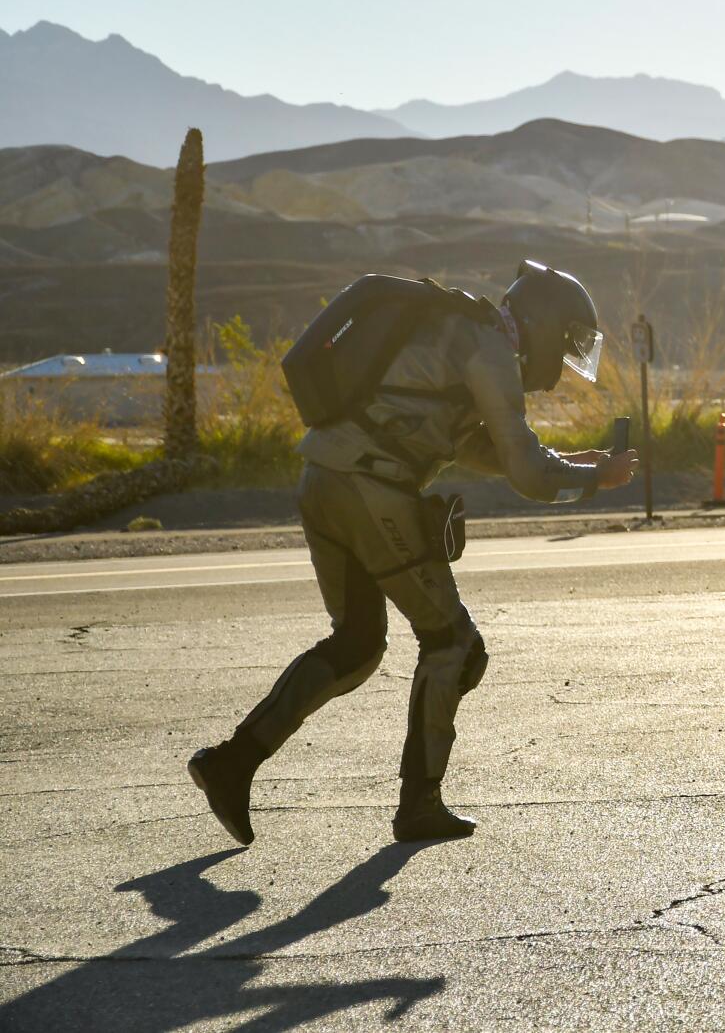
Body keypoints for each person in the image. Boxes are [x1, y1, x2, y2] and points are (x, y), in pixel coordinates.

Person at [188, 262, 639, 843]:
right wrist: (593, 481)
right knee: (454, 644)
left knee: (355, 646)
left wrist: (581, 464)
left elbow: (478, 446)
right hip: (370, 486)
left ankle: (230, 764)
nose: (565, 360)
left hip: (323, 477)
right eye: (569, 339)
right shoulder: (490, 346)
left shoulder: (460, 331)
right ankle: (419, 805)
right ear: (546, 321)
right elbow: (526, 472)